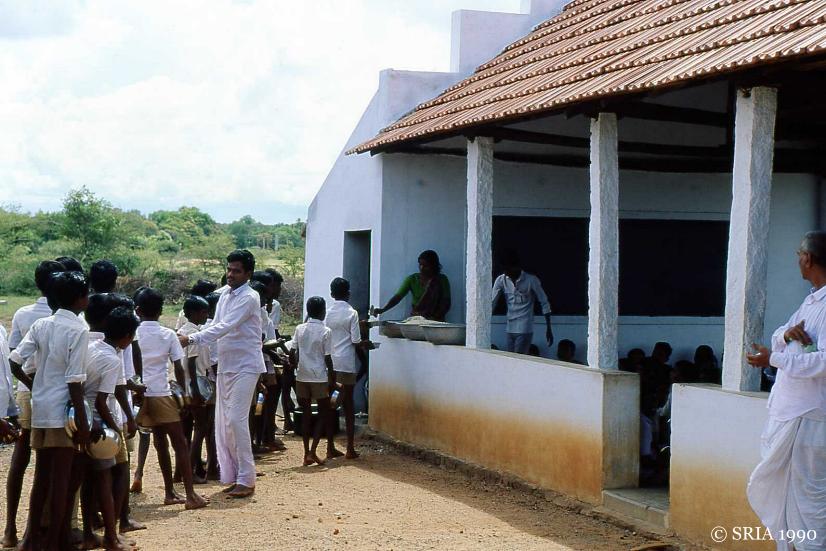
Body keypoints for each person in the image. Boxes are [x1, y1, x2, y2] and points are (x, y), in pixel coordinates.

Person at [746, 231, 826, 549]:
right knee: (783, 493)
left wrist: (774, 359)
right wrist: (785, 336)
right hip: (789, 411)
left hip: (810, 416)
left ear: (807, 258)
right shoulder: (811, 301)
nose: (797, 260)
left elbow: (824, 361)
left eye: (798, 255)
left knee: (810, 501)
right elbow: (783, 332)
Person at [9, 270, 90, 551]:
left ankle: (32, 538)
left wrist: (35, 385)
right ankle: (56, 540)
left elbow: (15, 361)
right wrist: (83, 421)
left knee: (41, 477)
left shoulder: (41, 324)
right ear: (79, 299)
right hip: (63, 412)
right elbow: (75, 381)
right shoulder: (79, 329)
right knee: (62, 481)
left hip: (41, 408)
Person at [179, 250, 266, 499]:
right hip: (227, 365)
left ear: (248, 273)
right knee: (226, 423)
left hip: (246, 365)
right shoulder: (225, 295)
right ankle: (236, 474)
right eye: (229, 269)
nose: (230, 274)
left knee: (237, 419)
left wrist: (191, 338)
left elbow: (225, 326)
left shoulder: (250, 297)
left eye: (236, 271)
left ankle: (247, 478)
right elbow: (214, 325)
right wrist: (183, 334)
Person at [3, 260, 65, 548]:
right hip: (51, 392)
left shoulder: (23, 313)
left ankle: (11, 529)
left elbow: (14, 354)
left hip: (27, 389)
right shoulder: (67, 319)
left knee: (21, 458)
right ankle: (37, 530)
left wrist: (30, 384)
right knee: (47, 463)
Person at [134, 288, 207, 510]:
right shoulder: (168, 335)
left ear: (137, 310)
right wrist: (183, 396)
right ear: (161, 311)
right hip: (161, 393)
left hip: (140, 393)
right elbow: (179, 367)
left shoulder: (133, 333)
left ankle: (169, 492)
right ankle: (190, 494)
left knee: (160, 443)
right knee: (180, 444)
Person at [80, 299, 138, 551]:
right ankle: (111, 538)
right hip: (100, 425)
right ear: (127, 337)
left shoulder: (92, 348)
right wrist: (116, 428)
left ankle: (89, 533)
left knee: (89, 480)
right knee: (106, 479)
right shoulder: (113, 359)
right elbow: (102, 402)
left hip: (84, 421)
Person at [327, 277, 372, 459]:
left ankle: (330, 446)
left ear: (332, 294)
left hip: (331, 363)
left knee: (331, 404)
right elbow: (356, 340)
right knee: (348, 405)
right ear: (348, 293)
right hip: (346, 363)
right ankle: (350, 448)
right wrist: (366, 343)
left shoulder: (327, 312)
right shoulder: (352, 313)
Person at [290, 296, 334, 466]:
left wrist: (295, 366)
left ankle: (306, 452)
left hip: (302, 375)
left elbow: (293, 352)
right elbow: (328, 358)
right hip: (319, 377)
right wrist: (332, 377)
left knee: (306, 414)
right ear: (323, 312)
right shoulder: (326, 331)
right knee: (324, 412)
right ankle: (313, 451)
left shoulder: (299, 328)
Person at [177, 295, 214, 484]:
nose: (206, 316)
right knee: (201, 428)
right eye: (203, 312)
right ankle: (189, 472)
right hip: (195, 383)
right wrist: (196, 391)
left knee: (186, 431)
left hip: (185, 385)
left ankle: (182, 471)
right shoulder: (192, 335)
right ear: (194, 313)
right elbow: (190, 363)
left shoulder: (182, 331)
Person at [491, 249, 553, 354]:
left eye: (509, 269)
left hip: (524, 327)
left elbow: (544, 302)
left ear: (516, 267)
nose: (507, 273)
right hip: (509, 327)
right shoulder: (501, 280)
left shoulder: (531, 280)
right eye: (505, 270)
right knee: (511, 358)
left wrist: (549, 328)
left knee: (518, 357)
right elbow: (492, 303)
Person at [372, 250, 451, 321]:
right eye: (420, 265)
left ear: (433, 266)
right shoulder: (412, 279)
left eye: (426, 266)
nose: (422, 268)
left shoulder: (441, 280)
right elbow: (398, 297)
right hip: (417, 318)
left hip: (436, 320)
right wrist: (383, 310)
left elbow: (446, 302)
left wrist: (434, 318)